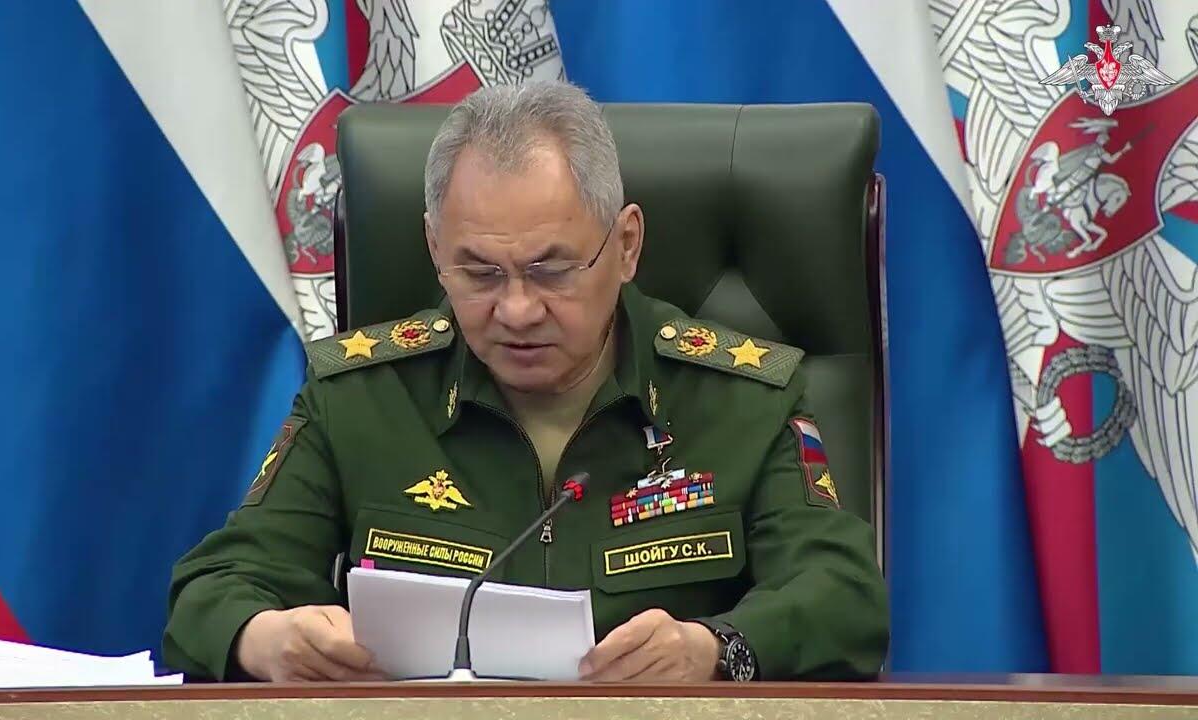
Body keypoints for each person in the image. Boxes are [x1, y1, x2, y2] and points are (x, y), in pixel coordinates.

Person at [163, 80, 889, 683]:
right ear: (434, 248)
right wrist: (266, 638)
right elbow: (213, 589)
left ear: (626, 244)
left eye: (551, 270)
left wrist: (716, 649)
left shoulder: (741, 399)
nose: (516, 309)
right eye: (479, 273)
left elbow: (845, 599)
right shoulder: (358, 398)